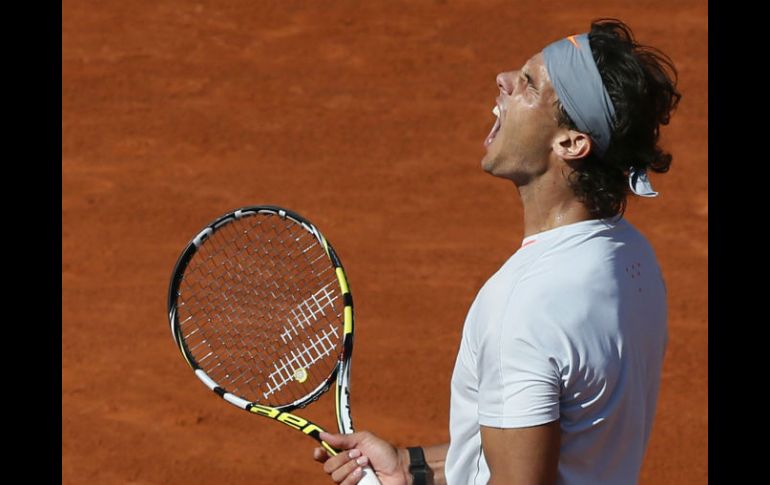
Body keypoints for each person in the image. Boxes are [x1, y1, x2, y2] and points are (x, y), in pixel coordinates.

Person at [313, 18, 681, 485]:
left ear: (571, 143)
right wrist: (411, 468)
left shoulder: (522, 309)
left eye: (528, 85)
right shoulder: (631, 255)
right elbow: (558, 441)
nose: (503, 80)